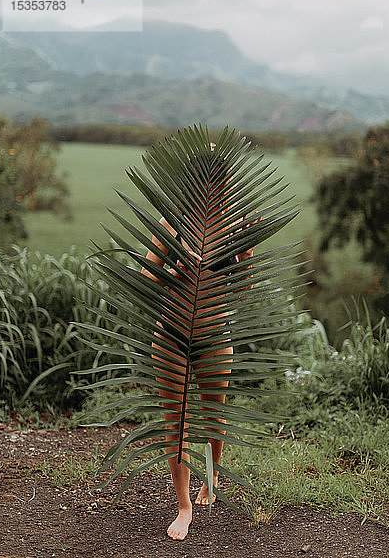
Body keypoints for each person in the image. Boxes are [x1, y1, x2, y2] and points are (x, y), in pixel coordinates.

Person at [141, 143, 257, 540]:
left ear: (224, 184)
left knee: (214, 418)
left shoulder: (235, 226)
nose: (209, 189)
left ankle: (210, 480)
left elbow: (244, 287)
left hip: (213, 334)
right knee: (177, 423)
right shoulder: (171, 224)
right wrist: (173, 268)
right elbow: (145, 276)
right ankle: (184, 506)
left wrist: (246, 257)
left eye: (215, 181)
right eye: (202, 180)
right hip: (171, 334)